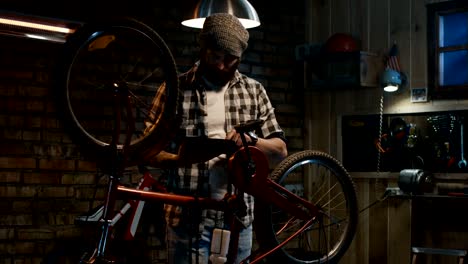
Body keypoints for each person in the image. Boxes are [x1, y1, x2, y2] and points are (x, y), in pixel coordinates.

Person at [143, 13, 288, 264]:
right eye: (215, 57)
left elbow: (280, 151)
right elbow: (146, 151)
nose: (222, 65)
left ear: (240, 57)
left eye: (230, 59)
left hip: (237, 219)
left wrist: (251, 142)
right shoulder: (174, 90)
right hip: (186, 219)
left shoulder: (254, 91)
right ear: (203, 49)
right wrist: (180, 160)